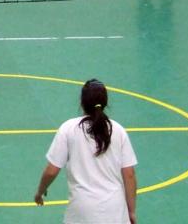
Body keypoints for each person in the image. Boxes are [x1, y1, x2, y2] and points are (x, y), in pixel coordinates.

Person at [34, 79, 137, 224]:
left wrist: (40, 192)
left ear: (82, 102)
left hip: (82, 211)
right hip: (115, 211)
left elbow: (51, 171)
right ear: (105, 102)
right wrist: (131, 211)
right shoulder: (118, 131)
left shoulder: (68, 129)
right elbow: (129, 174)